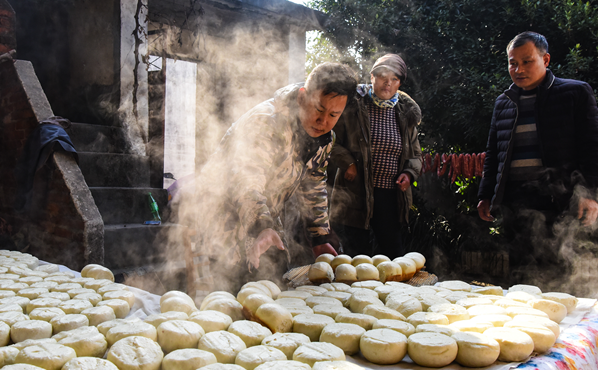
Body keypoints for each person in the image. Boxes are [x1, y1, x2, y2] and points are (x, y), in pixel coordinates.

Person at [177, 62, 357, 292]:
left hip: (263, 221)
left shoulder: (324, 139)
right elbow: (246, 177)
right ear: (303, 97)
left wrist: (320, 236)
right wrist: (261, 225)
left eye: (334, 114)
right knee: (227, 299)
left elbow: (314, 183)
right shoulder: (266, 122)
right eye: (319, 109)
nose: (323, 121)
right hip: (221, 220)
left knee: (271, 292)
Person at [477, 31, 598, 276]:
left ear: (545, 60)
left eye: (527, 61)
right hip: (515, 201)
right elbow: (494, 153)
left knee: (559, 274)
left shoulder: (575, 93)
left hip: (560, 200)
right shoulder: (503, 102)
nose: (518, 69)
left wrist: (590, 193)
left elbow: (593, 146)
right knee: (519, 274)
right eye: (513, 63)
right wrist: (486, 194)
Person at [328, 54, 423, 258]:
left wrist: (408, 173)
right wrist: (349, 163)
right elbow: (330, 139)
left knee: (394, 254)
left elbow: (416, 155)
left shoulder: (406, 113)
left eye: (394, 79)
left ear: (399, 83)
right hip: (355, 192)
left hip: (390, 195)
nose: (387, 83)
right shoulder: (353, 106)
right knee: (355, 257)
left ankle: (394, 291)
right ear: (372, 77)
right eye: (382, 76)